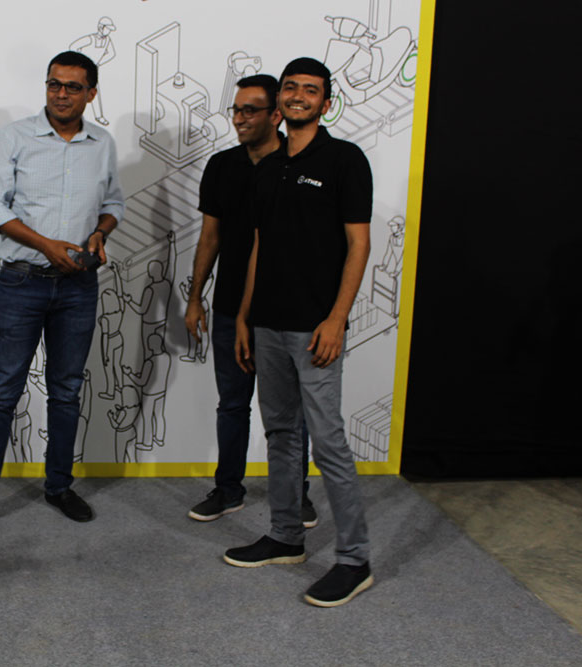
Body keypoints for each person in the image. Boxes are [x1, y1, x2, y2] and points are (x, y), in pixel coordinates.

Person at [0, 50, 124, 534]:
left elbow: (113, 203)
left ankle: (59, 487)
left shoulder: (102, 143)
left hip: (79, 286)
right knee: (2, 392)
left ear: (91, 93)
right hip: (21, 283)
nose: (61, 94)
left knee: (66, 391)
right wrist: (47, 245)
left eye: (72, 87)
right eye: (53, 84)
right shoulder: (15, 137)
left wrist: (100, 232)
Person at [227, 58, 373, 608]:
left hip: (315, 328)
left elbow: (358, 244)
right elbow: (260, 246)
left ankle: (355, 560)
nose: (298, 96)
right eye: (291, 87)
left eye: (310, 90)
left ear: (325, 103)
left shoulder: (345, 160)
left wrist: (336, 318)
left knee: (327, 440)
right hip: (267, 323)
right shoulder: (268, 168)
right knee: (282, 434)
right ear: (280, 100)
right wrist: (244, 316)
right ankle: (286, 536)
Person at [184, 75, 317, 526]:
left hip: (284, 311)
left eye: (249, 110)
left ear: (275, 114)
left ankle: (297, 494)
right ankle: (228, 490)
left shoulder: (297, 165)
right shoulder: (222, 166)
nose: (239, 119)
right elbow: (210, 236)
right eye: (236, 110)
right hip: (227, 307)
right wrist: (195, 298)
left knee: (290, 412)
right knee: (232, 404)